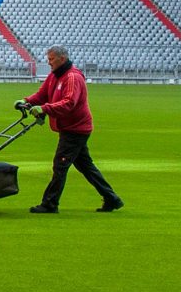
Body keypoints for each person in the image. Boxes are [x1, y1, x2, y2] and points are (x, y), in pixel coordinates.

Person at [21, 46, 123, 214]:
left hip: (76, 128)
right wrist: (26, 102)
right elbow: (42, 94)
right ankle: (112, 199)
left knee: (60, 165)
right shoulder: (55, 76)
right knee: (86, 167)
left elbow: (69, 103)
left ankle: (50, 203)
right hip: (69, 127)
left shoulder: (72, 77)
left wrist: (44, 109)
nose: (49, 61)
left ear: (62, 59)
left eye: (52, 58)